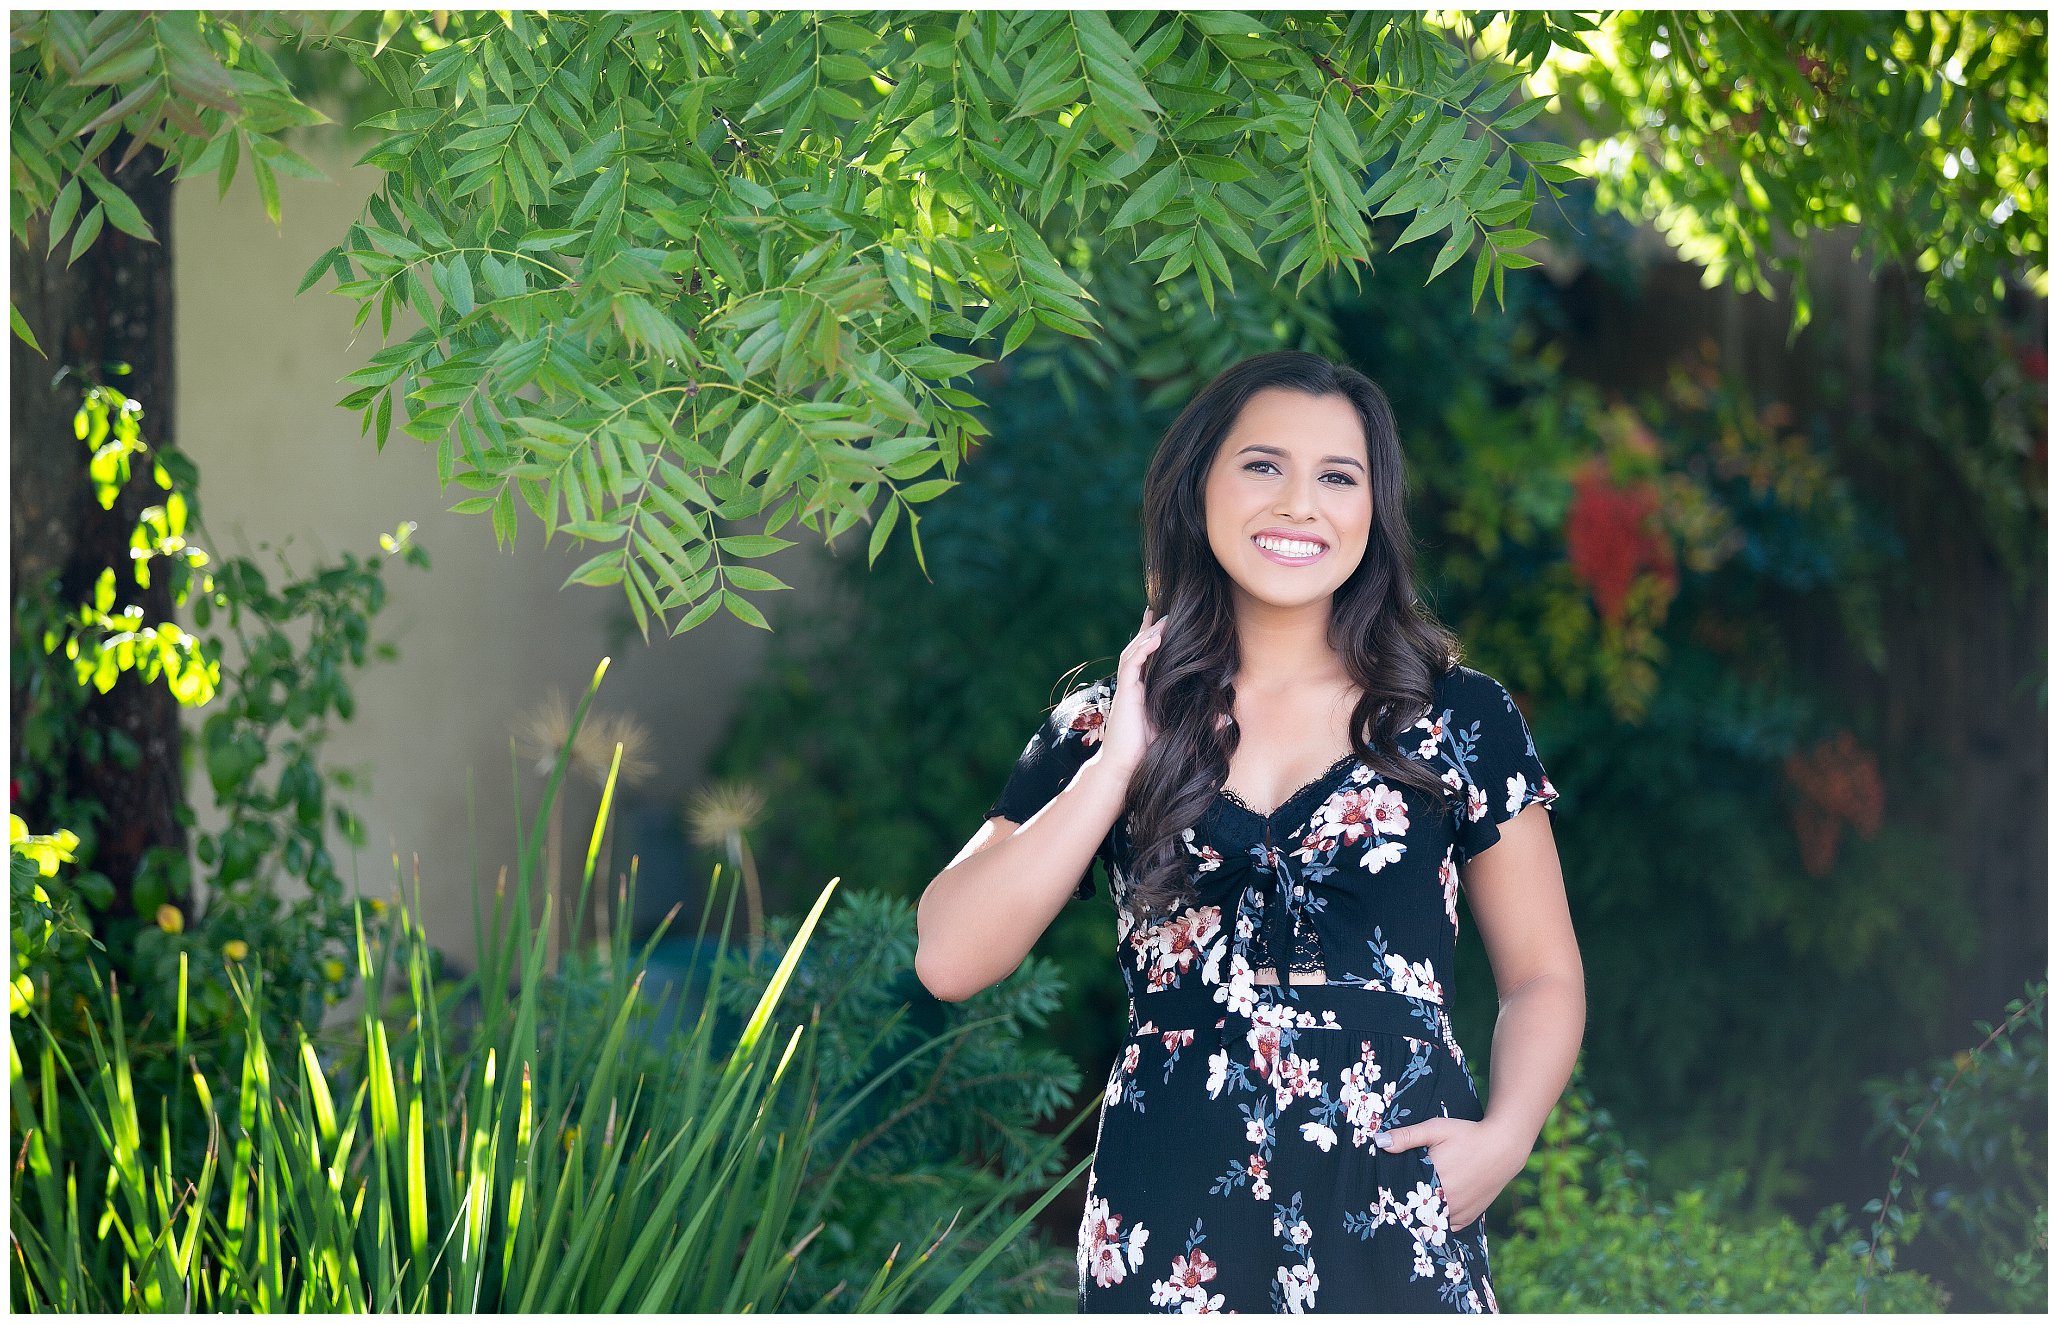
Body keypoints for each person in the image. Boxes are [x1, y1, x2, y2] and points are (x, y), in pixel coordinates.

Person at [915, 350, 1584, 1313]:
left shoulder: (1458, 718)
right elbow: (947, 956)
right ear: (1199, 489)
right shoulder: (1104, 728)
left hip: (1397, 1199)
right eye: (1264, 465)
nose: (1300, 504)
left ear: (1374, 511)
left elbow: (1543, 976)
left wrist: (1506, 1138)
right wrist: (1118, 765)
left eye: (1338, 477)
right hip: (1173, 1207)